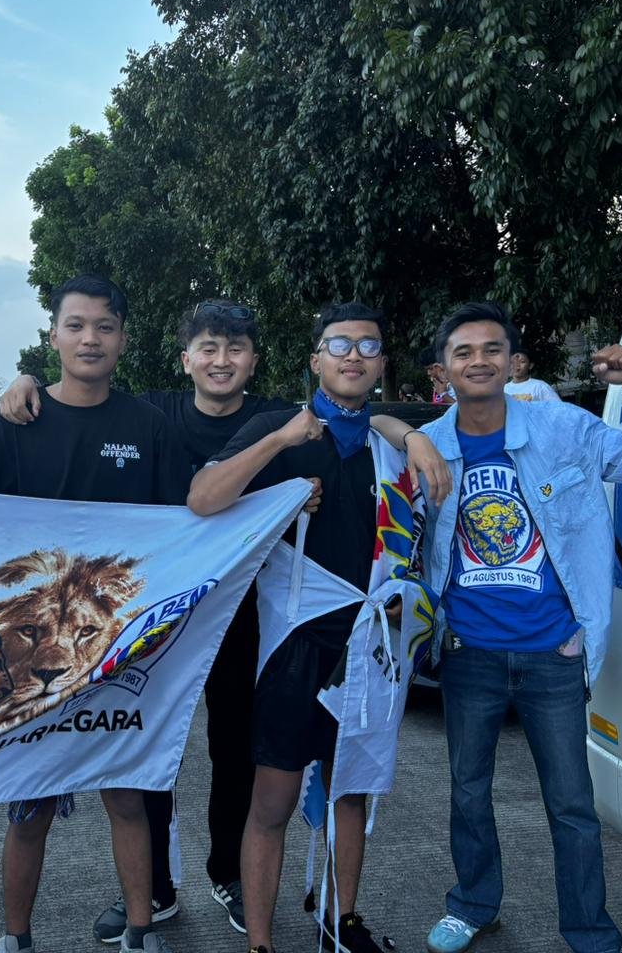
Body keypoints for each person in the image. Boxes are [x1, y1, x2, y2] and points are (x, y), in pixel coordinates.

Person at [0, 300, 450, 943]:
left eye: (235, 350)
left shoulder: (282, 416)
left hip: (250, 620)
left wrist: (409, 432)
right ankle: (154, 889)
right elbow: (92, 400)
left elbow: (352, 408)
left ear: (255, 362)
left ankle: (231, 878)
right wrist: (27, 384)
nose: (221, 361)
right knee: (150, 750)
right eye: (207, 349)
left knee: (240, 754)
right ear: (185, 359)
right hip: (165, 618)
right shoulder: (157, 414)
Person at [417, 303, 622, 953]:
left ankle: (589, 930)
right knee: (467, 792)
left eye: (492, 349)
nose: (479, 361)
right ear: (442, 370)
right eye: (463, 352)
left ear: (513, 361)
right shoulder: (428, 443)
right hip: (468, 653)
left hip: (554, 653)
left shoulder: (564, 427)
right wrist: (403, 434)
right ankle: (473, 904)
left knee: (571, 804)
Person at [0, 274, 189, 953]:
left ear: (123, 339)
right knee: (29, 808)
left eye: (104, 327)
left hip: (115, 650)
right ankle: (15, 938)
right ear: (53, 335)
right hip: (35, 660)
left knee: (127, 798)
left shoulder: (148, 426)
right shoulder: (15, 419)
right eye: (75, 325)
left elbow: (188, 524)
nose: (90, 339)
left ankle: (140, 931)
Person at [188, 301, 408, 953]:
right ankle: (260, 942)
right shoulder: (277, 428)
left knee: (350, 795)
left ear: (381, 364)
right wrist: (281, 450)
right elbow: (203, 498)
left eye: (368, 346)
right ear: (315, 360)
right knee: (273, 801)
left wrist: (414, 435)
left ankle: (341, 922)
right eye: (338, 344)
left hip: (367, 645)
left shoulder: (392, 447)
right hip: (294, 646)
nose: (353, 355)